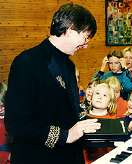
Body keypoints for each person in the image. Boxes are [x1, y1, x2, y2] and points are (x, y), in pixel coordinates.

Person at [5, 3, 101, 164]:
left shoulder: (69, 65)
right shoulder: (27, 62)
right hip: (38, 157)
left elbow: (65, 113)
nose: (86, 46)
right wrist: (65, 136)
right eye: (85, 38)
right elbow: (16, 123)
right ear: (70, 31)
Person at [84, 83, 117, 163]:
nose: (100, 97)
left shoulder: (114, 121)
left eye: (105, 95)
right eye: (97, 93)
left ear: (110, 103)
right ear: (91, 98)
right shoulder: (82, 118)